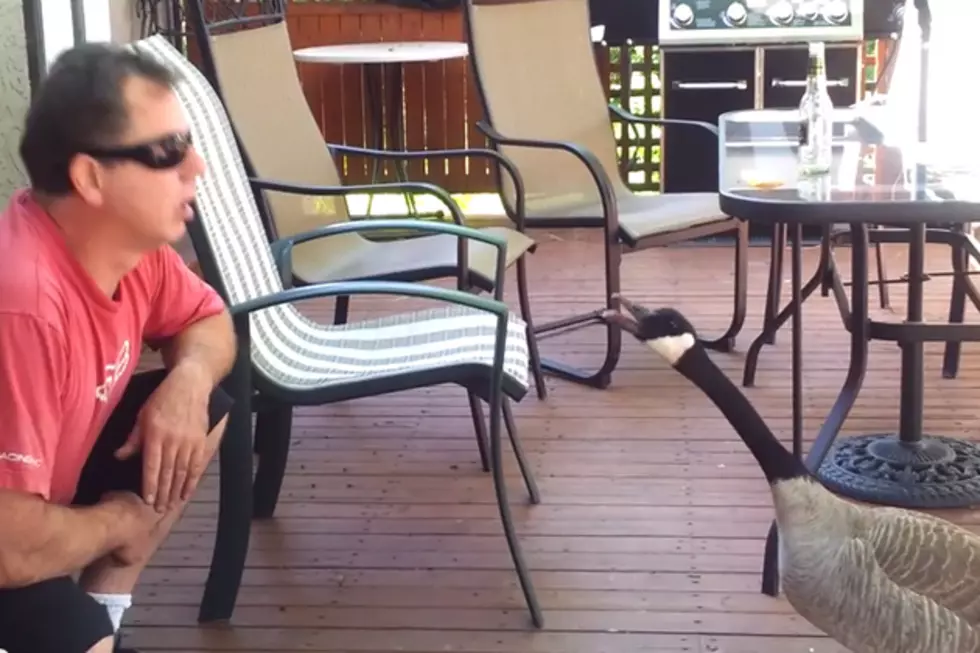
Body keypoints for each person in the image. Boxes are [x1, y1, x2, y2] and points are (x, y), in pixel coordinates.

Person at [0, 42, 237, 653]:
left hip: (29, 506)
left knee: (210, 405)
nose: (197, 167)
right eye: (167, 152)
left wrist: (188, 383)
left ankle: (107, 608)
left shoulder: (135, 256)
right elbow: (11, 549)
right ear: (90, 178)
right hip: (6, 542)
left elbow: (210, 322)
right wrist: (119, 523)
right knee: (69, 634)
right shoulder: (23, 305)